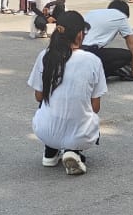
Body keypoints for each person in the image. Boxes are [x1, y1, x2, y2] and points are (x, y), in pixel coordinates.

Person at [28, 10, 106, 176]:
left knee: (49, 102)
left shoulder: (45, 56)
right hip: (80, 134)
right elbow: (95, 106)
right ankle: (73, 151)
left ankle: (50, 152)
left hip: (45, 131)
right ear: (79, 35)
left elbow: (38, 96)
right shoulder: (92, 60)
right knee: (86, 114)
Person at [82, 0, 133, 79]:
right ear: (126, 14)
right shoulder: (121, 16)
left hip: (73, 52)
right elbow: (132, 45)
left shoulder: (91, 13)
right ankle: (95, 75)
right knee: (128, 55)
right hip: (89, 52)